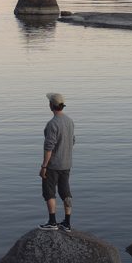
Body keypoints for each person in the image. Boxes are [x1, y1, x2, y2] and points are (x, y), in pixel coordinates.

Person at [38, 92, 76, 231]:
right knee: (65, 192)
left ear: (51, 105)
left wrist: (44, 166)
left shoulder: (52, 124)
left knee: (49, 192)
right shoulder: (69, 121)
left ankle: (52, 222)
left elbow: (49, 147)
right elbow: (72, 141)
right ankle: (67, 223)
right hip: (66, 163)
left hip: (53, 165)